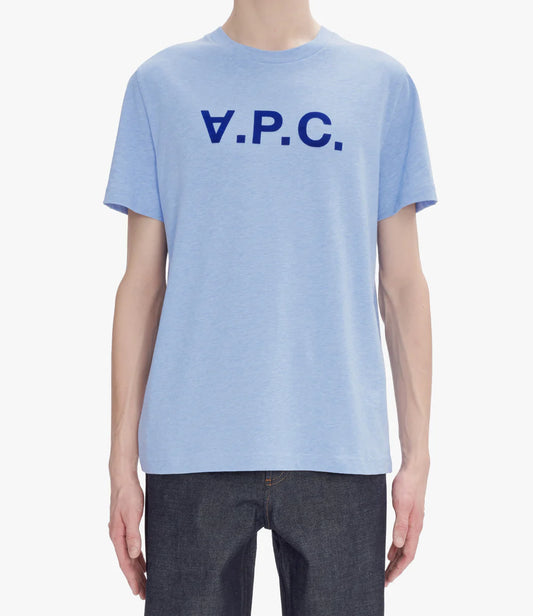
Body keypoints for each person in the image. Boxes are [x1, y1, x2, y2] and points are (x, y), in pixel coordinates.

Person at [103, 1, 437, 614]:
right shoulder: (160, 85)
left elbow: (403, 285)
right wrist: (120, 463)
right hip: (191, 447)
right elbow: (141, 285)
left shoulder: (381, 85)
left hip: (338, 446)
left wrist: (417, 458)